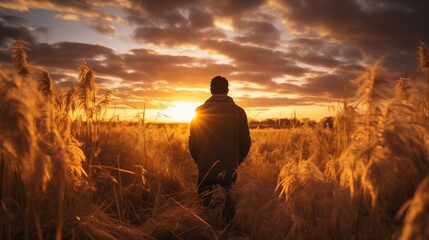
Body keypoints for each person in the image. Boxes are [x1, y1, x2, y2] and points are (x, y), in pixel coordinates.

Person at [189, 76, 251, 211]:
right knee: (227, 210)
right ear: (227, 90)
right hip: (230, 170)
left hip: (206, 169)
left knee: (205, 209)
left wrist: (200, 161)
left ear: (211, 90)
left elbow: (193, 142)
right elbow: (246, 142)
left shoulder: (200, 111)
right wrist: (235, 162)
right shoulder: (239, 112)